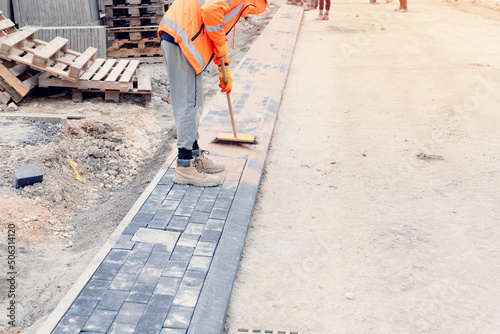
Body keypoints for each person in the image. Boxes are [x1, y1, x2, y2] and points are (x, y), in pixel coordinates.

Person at [158, 0, 269, 187]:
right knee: (188, 103)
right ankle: (185, 167)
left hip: (182, 37)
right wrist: (221, 46)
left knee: (195, 101)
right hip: (181, 39)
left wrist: (223, 65)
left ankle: (193, 155)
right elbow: (210, 14)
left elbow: (215, 29)